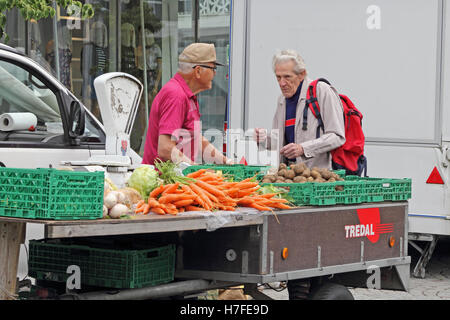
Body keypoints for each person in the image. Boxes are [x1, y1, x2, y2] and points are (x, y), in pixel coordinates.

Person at [142, 43, 232, 166]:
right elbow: (165, 148)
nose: (215, 74)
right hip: (164, 182)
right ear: (198, 71)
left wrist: (227, 162)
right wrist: (195, 170)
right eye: (213, 68)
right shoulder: (175, 95)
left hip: (179, 180)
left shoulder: (188, 96)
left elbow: (196, 139)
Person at [255, 49, 345, 169]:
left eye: (287, 77)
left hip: (318, 177)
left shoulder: (321, 91)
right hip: (289, 176)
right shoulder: (282, 100)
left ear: (302, 74)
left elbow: (337, 136)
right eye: (278, 77)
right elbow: (280, 142)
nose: (282, 83)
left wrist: (303, 149)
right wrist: (263, 139)